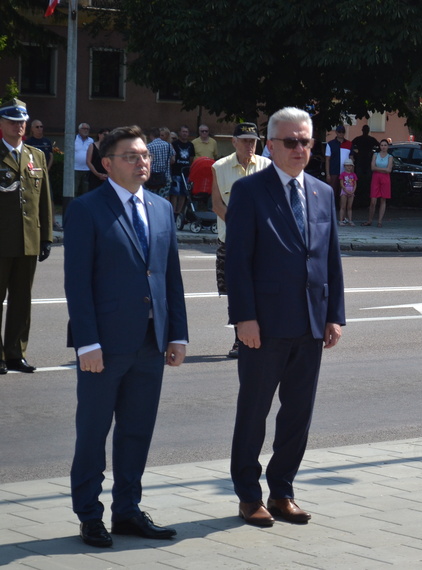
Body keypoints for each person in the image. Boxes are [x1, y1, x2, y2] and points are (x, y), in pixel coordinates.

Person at [64, 125, 188, 547]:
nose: (142, 162)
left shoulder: (161, 208)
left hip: (151, 342)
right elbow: (77, 283)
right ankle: (89, 515)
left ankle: (128, 511)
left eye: (145, 155)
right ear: (107, 163)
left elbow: (170, 277)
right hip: (104, 345)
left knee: (136, 431)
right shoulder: (86, 209)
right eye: (131, 156)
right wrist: (87, 343)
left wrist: (177, 334)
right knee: (93, 433)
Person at [225, 106, 345, 527]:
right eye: (291, 141)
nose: (299, 149)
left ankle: (282, 491)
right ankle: (248, 495)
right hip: (265, 324)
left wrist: (334, 315)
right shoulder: (249, 191)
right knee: (253, 412)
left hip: (311, 323)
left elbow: (330, 259)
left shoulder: (322, 191)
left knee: (297, 414)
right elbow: (238, 260)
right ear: (271, 145)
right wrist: (244, 318)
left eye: (305, 141)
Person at [0, 98, 53, 375]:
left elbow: (44, 199)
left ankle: (15, 354)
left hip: (28, 239)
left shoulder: (36, 156)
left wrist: (46, 237)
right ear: (1, 123)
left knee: (22, 301)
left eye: (21, 122)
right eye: (12, 121)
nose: (18, 126)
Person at [211, 123, 271, 359]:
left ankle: (262, 335)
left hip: (262, 243)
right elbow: (217, 205)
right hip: (231, 242)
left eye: (253, 141)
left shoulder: (267, 166)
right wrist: (241, 228)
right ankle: (239, 339)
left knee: (262, 290)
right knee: (235, 292)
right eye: (245, 140)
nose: (249, 145)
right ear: (234, 142)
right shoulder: (220, 167)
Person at [364, 139, 393, 227]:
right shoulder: (375, 155)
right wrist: (384, 169)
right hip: (376, 177)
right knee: (373, 200)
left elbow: (389, 170)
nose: (383, 147)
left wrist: (378, 169)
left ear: (388, 146)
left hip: (385, 178)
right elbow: (373, 168)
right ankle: (370, 220)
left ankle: (380, 221)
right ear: (379, 146)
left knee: (383, 199)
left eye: (385, 145)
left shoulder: (390, 157)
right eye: (382, 145)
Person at [170, 125, 195, 215]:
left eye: (186, 132)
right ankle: (173, 212)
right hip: (176, 172)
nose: (185, 134)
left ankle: (179, 212)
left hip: (186, 173)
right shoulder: (174, 144)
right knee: (175, 193)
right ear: (180, 133)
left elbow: (191, 158)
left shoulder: (190, 145)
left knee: (184, 193)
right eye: (183, 131)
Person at [350, 125, 379, 197]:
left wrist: (355, 154)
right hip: (364, 160)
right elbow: (350, 146)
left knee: (365, 178)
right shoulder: (370, 139)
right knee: (362, 178)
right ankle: (363, 193)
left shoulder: (359, 139)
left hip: (364, 160)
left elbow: (350, 145)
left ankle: (362, 193)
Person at [145, 127, 173, 193]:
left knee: (151, 197)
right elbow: (173, 160)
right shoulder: (169, 145)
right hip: (165, 177)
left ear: (151, 135)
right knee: (163, 197)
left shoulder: (148, 146)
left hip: (152, 178)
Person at [324, 125, 351, 194]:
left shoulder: (349, 144)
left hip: (346, 173)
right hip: (333, 172)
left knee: (344, 193)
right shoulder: (330, 144)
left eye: (343, 132)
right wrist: (328, 174)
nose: (341, 133)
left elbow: (352, 159)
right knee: (332, 192)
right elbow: (327, 160)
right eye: (339, 131)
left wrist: (351, 173)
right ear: (336, 132)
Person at [74, 123, 93, 196]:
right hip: (75, 169)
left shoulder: (91, 140)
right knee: (74, 190)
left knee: (86, 190)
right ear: (79, 130)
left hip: (87, 169)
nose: (86, 130)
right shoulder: (74, 139)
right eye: (84, 128)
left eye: (87, 129)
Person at [338, 159, 357, 226]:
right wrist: (345, 190)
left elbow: (355, 184)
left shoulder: (353, 175)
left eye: (350, 165)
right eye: (347, 165)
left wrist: (353, 191)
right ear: (345, 166)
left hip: (351, 191)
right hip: (344, 191)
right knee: (343, 206)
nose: (349, 167)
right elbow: (341, 183)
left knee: (349, 207)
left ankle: (350, 220)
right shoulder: (342, 174)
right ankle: (341, 220)